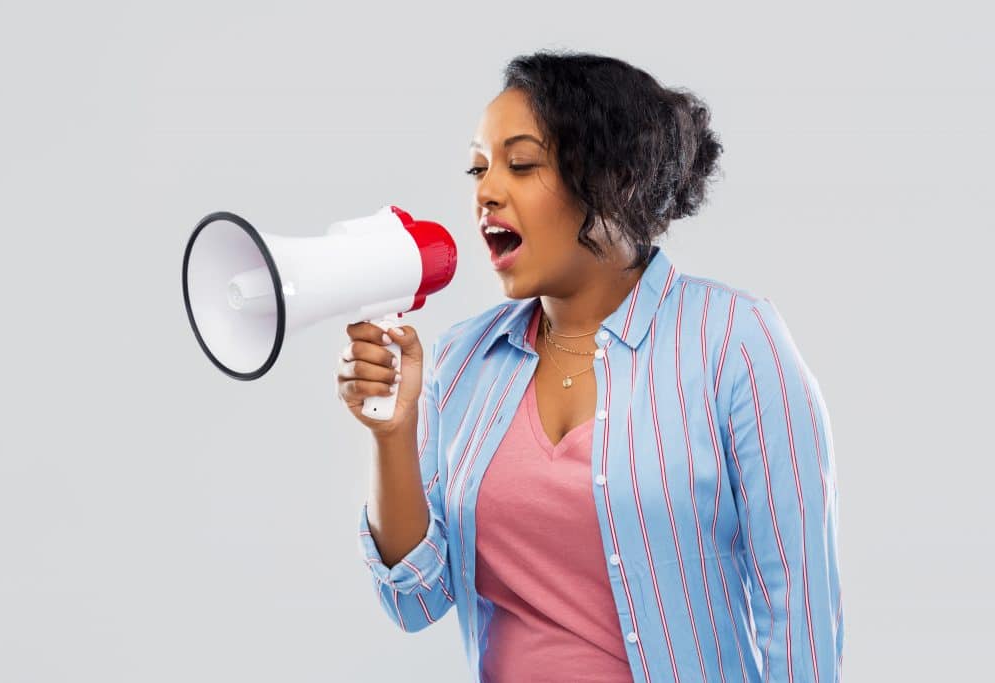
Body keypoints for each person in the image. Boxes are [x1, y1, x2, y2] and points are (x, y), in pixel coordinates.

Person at [337, 49, 844, 683]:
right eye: (478, 169)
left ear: (615, 178)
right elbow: (414, 600)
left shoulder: (736, 342)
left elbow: (798, 617)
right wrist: (393, 434)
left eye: (521, 164)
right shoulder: (464, 359)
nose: (486, 193)